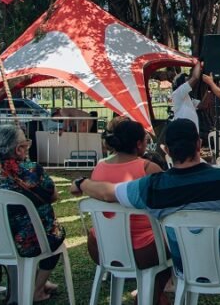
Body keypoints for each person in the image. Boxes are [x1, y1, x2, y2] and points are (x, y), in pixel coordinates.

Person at [70, 119, 220, 292]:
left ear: (167, 150)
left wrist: (82, 183)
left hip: (185, 266)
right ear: (199, 144)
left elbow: (107, 193)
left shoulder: (152, 186)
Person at [0, 125, 65, 302]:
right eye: (27, 143)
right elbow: (54, 196)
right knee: (56, 236)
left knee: (23, 232)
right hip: (29, 244)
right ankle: (37, 290)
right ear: (19, 149)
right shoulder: (32, 171)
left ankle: (29, 283)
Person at [87, 120, 170, 305]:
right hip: (143, 252)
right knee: (175, 240)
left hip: (100, 248)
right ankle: (150, 296)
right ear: (139, 143)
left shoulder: (99, 167)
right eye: (146, 140)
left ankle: (153, 296)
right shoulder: (148, 168)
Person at [170, 61, 202, 131]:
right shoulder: (178, 93)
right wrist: (199, 60)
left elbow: (203, 105)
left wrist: (210, 87)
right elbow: (195, 78)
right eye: (186, 80)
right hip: (184, 133)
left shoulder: (187, 97)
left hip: (191, 134)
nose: (188, 81)